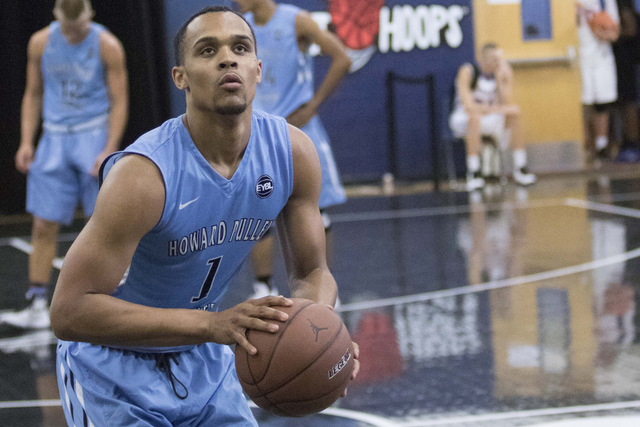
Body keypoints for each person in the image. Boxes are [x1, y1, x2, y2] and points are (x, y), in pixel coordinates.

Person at [49, 7, 359, 426]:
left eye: (240, 48)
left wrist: (319, 332)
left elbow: (312, 271)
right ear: (181, 77)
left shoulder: (293, 153)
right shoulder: (144, 176)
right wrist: (211, 324)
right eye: (208, 50)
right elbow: (69, 312)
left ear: (258, 69)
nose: (227, 59)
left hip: (205, 356)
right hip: (112, 365)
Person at [3, 0, 128, 329]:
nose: (73, 32)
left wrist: (109, 148)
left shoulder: (107, 45)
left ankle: (108, 300)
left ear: (89, 15)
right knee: (43, 225)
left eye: (79, 25)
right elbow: (33, 93)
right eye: (68, 26)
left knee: (102, 224)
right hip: (55, 137)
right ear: (58, 18)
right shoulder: (41, 42)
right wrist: (27, 141)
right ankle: (36, 301)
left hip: (93, 134)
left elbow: (120, 99)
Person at [235, 0, 351, 298]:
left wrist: (312, 106)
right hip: (258, 132)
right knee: (257, 211)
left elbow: (342, 58)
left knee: (315, 211)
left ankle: (323, 287)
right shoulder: (238, 25)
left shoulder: (297, 21)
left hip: (298, 131)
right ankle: (263, 287)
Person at [449, 43, 536, 191]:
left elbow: (508, 103)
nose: (498, 63)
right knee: (474, 118)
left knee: (514, 115)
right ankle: (474, 172)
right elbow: (469, 107)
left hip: (488, 116)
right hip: (463, 118)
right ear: (483, 59)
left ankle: (520, 168)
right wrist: (495, 109)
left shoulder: (500, 73)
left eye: (499, 59)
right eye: (494, 60)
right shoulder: (468, 71)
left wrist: (503, 82)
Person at [576, 0, 620, 162]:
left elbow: (614, 31)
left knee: (603, 102)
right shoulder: (579, 3)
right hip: (584, 57)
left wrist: (599, 27)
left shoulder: (606, 2)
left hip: (602, 56)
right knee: (587, 102)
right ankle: (590, 144)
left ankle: (602, 143)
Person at [613, 0, 640, 161]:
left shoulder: (624, 6)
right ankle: (627, 142)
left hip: (629, 61)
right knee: (624, 104)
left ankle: (631, 144)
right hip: (625, 60)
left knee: (629, 103)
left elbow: (629, 30)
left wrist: (610, 34)